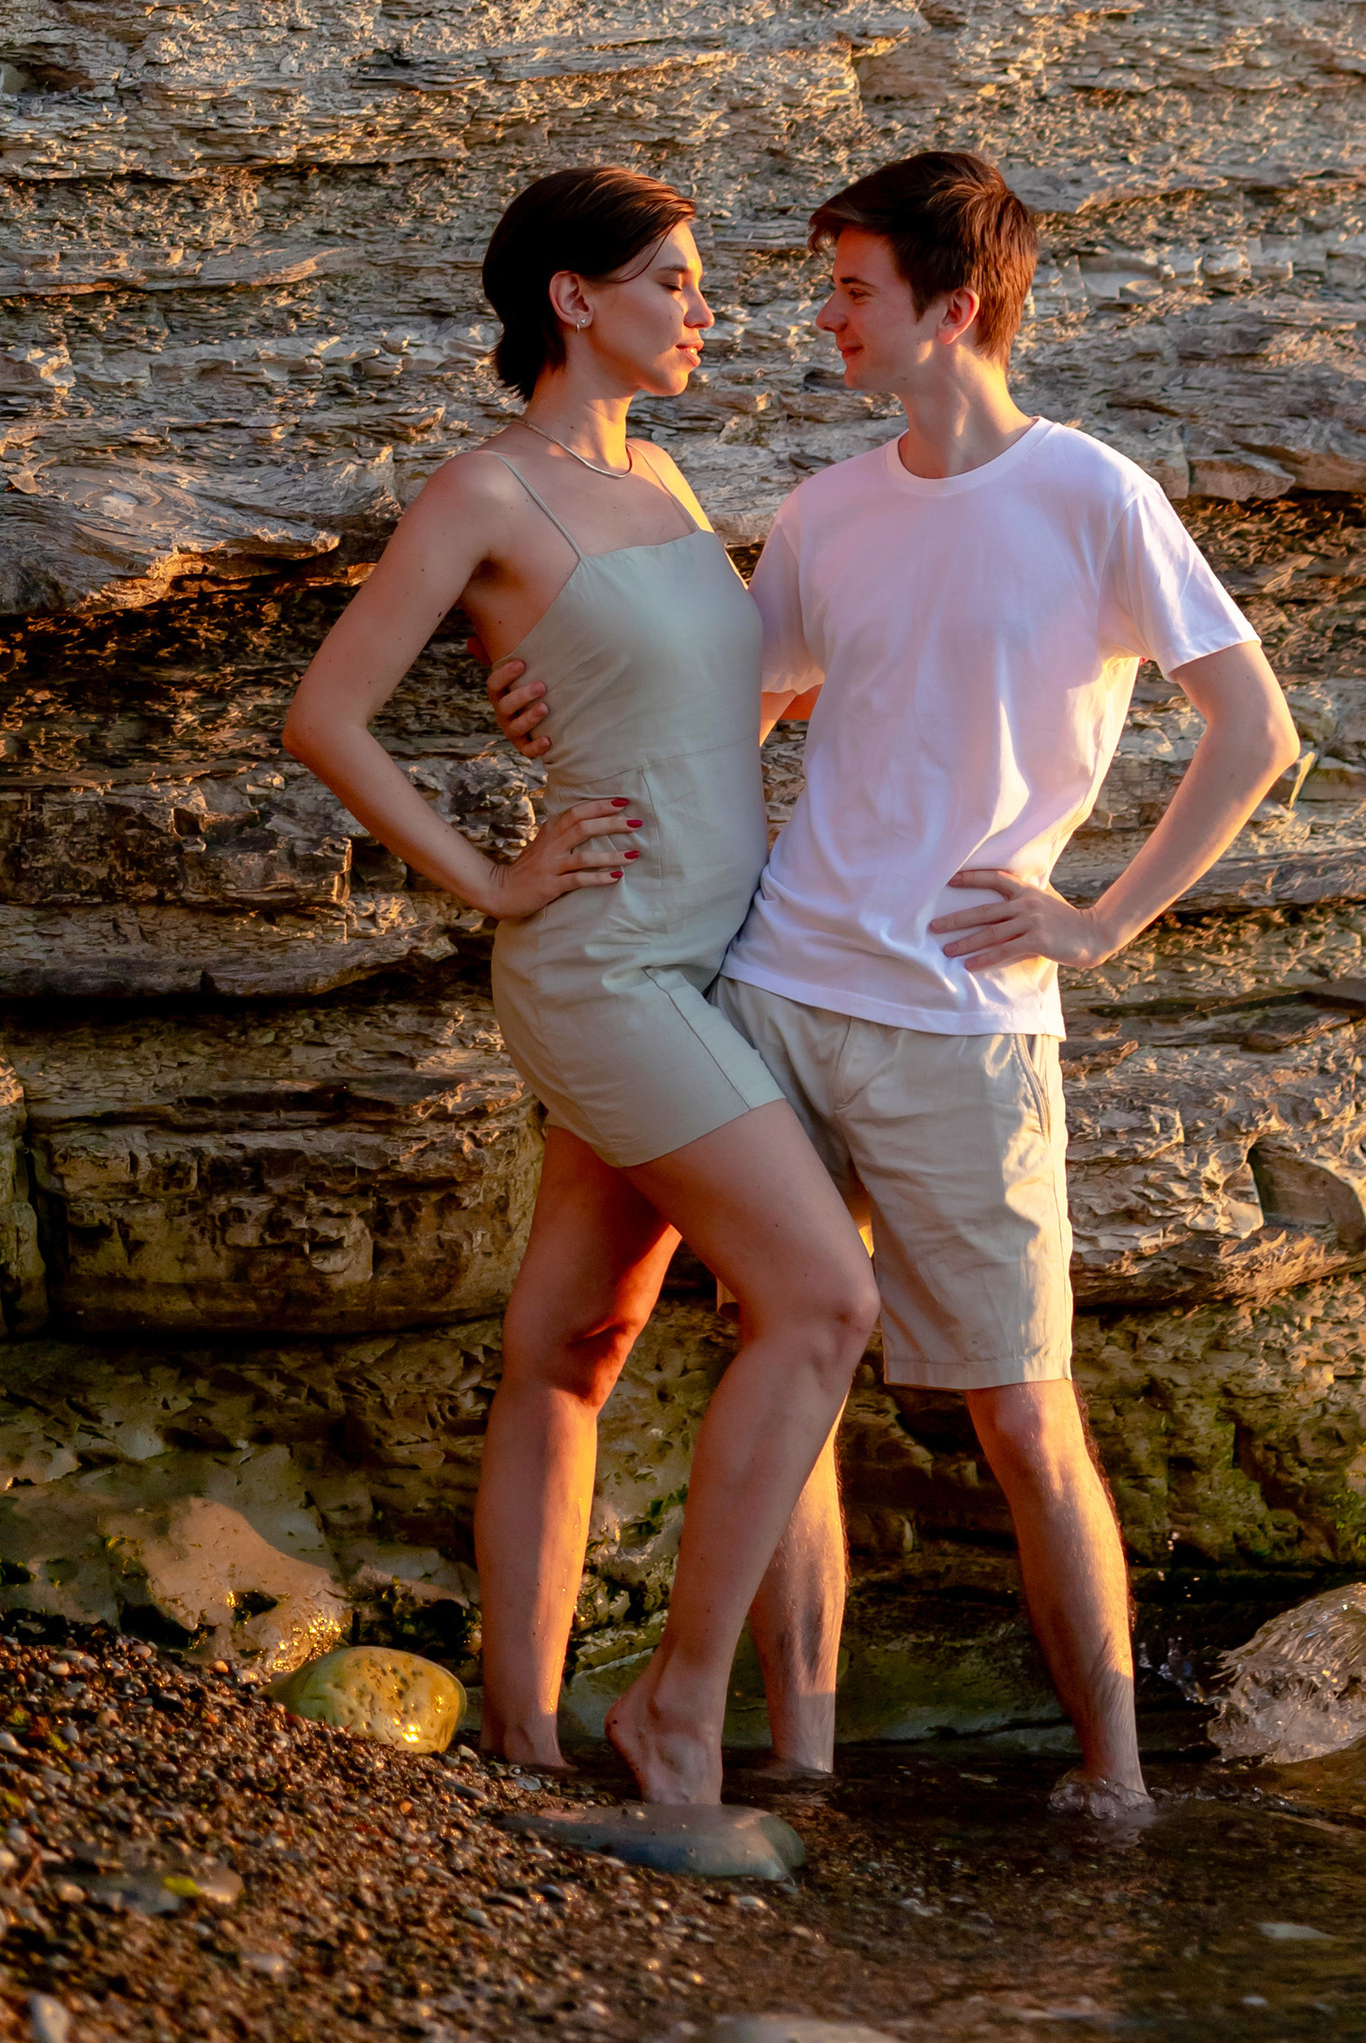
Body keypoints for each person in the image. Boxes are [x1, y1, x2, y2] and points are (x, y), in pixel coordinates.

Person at [486, 148, 1299, 1812]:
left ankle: (1118, 1784)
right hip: (781, 985)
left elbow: (1254, 732)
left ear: (956, 305)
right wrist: (548, 708)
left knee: (1021, 1418)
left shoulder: (1093, 496)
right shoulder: (830, 509)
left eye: (853, 288)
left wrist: (1104, 919)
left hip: (968, 1027)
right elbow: (729, 699)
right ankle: (799, 1755)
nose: (825, 315)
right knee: (788, 1353)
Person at [281, 166, 878, 1806]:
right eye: (675, 280)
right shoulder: (484, 497)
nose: (707, 308)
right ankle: (674, 1719)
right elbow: (328, 718)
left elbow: (724, 706)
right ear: (573, 298)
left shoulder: (674, 484)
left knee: (576, 1341)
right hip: (604, 965)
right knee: (823, 1299)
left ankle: (524, 1736)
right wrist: (489, 873)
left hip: (718, 951)